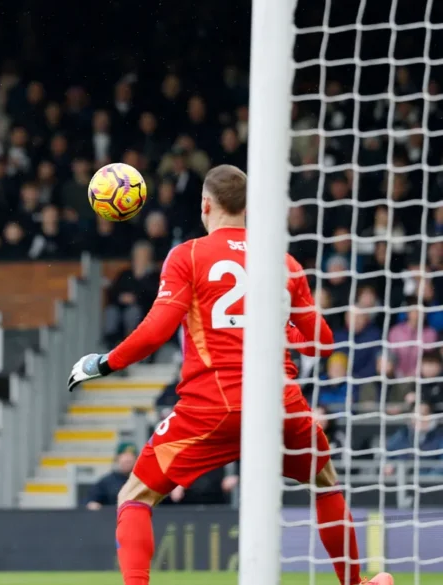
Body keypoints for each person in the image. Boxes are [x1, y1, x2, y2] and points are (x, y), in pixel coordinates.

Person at [68, 165, 392, 585]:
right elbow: (321, 343)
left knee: (135, 494)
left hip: (213, 404)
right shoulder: (284, 262)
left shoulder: (188, 255)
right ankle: (355, 584)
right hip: (281, 402)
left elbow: (155, 332)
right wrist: (282, 324)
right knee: (326, 483)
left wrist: (103, 363)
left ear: (206, 205)